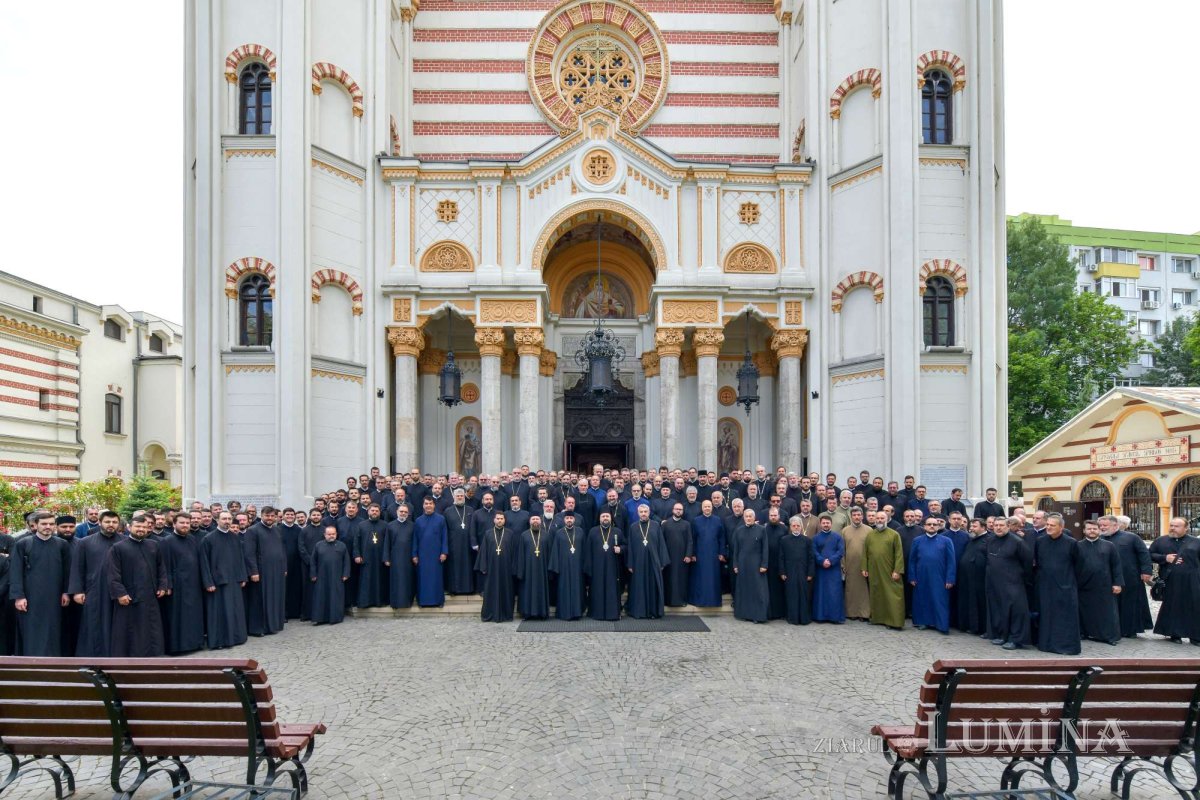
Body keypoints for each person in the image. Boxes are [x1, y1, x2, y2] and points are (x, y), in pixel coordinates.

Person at [108, 512, 170, 657]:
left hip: (150, 595)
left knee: (150, 627)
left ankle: (153, 654)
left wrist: (162, 586)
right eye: (138, 526)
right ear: (130, 527)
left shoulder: (153, 545)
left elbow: (161, 568)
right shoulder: (118, 547)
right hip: (129, 597)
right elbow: (113, 573)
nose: (141, 529)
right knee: (130, 629)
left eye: (144, 526)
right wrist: (120, 593)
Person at [9, 512, 71, 656]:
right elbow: (16, 571)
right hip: (31, 597)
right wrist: (19, 596)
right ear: (35, 525)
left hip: (55, 597)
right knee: (31, 630)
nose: (47, 527)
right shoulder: (23, 544)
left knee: (54, 629)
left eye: (51, 524)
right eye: (44, 524)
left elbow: (68, 571)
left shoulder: (62, 544)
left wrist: (66, 592)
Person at [68, 509, 123, 657]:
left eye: (114, 522)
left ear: (118, 524)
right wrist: (77, 591)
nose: (111, 525)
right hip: (94, 589)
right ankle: (92, 656)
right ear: (100, 522)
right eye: (107, 522)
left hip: (119, 591)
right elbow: (77, 567)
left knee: (117, 623)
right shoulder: (85, 542)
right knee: (93, 623)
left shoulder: (124, 542)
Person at [160, 511, 209, 655]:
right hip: (177, 586)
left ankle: (195, 643)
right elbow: (164, 565)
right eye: (182, 522)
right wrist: (167, 584)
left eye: (187, 523)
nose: (185, 525)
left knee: (194, 615)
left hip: (194, 584)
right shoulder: (166, 541)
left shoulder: (193, 539)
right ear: (174, 524)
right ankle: (178, 647)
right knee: (178, 617)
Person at [200, 511, 249, 649]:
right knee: (219, 612)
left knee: (234, 610)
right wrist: (208, 582)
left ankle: (236, 637)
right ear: (217, 520)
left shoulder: (234, 538)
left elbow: (240, 559)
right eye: (224, 519)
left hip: (234, 580)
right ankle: (219, 641)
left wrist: (243, 576)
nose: (227, 521)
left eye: (229, 519)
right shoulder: (208, 539)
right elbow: (204, 563)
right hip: (217, 582)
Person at [1099, 515, 1153, 638]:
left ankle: (1130, 629)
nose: (1102, 528)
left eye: (1105, 525)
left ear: (1115, 525)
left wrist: (1146, 571)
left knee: (1130, 604)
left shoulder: (1132, 538)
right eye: (1100, 525)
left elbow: (1144, 554)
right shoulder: (1099, 539)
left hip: (1130, 576)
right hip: (1107, 577)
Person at [1073, 518, 1123, 646]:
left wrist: (1117, 583)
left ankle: (1108, 636)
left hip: (1104, 585)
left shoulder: (1109, 546)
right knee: (1084, 611)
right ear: (1084, 531)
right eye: (1089, 529)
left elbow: (1116, 565)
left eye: (1095, 529)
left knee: (1106, 612)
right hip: (1084, 585)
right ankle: (1084, 633)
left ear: (1099, 530)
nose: (1092, 531)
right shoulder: (1077, 546)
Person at [986, 516, 1033, 650]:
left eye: (1001, 525)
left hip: (1014, 582)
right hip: (996, 583)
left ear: (1008, 526)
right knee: (1000, 610)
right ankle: (1002, 635)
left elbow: (1027, 562)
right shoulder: (990, 540)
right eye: (996, 525)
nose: (998, 528)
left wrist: (1021, 578)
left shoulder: (1017, 542)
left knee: (1016, 611)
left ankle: (1015, 639)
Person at [1152, 517, 1200, 645]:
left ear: (1186, 528)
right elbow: (1149, 555)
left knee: (1195, 607)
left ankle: (1195, 636)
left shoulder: (1196, 542)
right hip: (1171, 580)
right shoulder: (1161, 541)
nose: (1173, 528)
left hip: (1193, 581)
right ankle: (1175, 634)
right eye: (1171, 525)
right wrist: (1165, 558)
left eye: (1177, 526)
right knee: (1174, 606)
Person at [243, 507, 287, 636]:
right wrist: (253, 572)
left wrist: (284, 567)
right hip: (261, 572)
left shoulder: (277, 530)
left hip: (277, 571)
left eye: (272, 516)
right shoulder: (253, 530)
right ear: (261, 515)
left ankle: (274, 625)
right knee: (260, 599)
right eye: (267, 515)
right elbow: (249, 553)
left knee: (275, 597)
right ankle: (259, 628)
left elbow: (282, 551)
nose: (269, 518)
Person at [907, 517, 956, 634]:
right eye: (929, 524)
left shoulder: (946, 541)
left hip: (940, 576)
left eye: (935, 524)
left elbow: (951, 561)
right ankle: (923, 622)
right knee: (923, 599)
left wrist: (950, 578)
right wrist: (912, 576)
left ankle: (941, 624)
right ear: (924, 526)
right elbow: (912, 560)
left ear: (939, 527)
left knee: (940, 599)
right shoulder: (917, 541)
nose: (932, 526)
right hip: (921, 575)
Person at [625, 504, 669, 620]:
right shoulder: (633, 527)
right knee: (639, 586)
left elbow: (661, 545)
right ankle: (639, 611)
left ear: (649, 513)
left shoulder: (655, 525)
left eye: (645, 511)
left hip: (653, 561)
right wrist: (630, 563)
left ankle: (653, 611)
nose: (643, 514)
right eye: (641, 512)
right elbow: (630, 546)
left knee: (653, 586)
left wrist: (662, 562)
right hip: (638, 562)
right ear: (638, 513)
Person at [863, 511, 905, 630]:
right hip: (874, 570)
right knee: (877, 594)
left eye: (882, 518)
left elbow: (899, 554)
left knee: (892, 595)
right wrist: (864, 567)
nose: (880, 520)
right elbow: (865, 553)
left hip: (890, 571)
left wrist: (897, 570)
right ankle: (877, 618)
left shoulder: (894, 534)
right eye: (878, 518)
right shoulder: (870, 535)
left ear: (887, 519)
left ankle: (894, 622)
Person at [476, 511, 517, 623]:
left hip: (506, 569)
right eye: (497, 518)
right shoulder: (488, 533)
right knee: (491, 591)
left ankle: (506, 614)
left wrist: (514, 568)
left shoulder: (510, 533)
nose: (499, 520)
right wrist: (483, 566)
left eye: (501, 518)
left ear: (504, 520)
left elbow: (514, 552)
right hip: (491, 568)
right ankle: (490, 614)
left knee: (506, 591)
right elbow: (483, 551)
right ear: (494, 520)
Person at [730, 508, 769, 623]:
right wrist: (735, 564)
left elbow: (765, 549)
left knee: (757, 590)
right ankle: (744, 614)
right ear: (744, 518)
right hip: (742, 564)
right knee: (744, 589)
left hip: (757, 565)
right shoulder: (739, 530)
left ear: (754, 517)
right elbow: (736, 549)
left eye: (750, 516)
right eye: (746, 516)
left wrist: (764, 564)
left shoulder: (761, 530)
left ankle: (757, 615)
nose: (748, 518)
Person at [583, 511, 622, 621]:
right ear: (599, 519)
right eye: (603, 516)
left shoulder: (617, 531)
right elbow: (588, 551)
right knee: (597, 590)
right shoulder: (593, 531)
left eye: (607, 516)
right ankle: (597, 614)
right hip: (597, 568)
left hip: (612, 568)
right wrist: (589, 569)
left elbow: (625, 546)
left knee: (611, 590)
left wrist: (621, 549)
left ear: (611, 518)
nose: (605, 518)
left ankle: (612, 614)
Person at [688, 500, 726, 608]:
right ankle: (700, 601)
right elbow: (693, 539)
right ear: (702, 508)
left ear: (712, 507)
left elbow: (722, 538)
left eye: (709, 506)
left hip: (714, 554)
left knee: (713, 578)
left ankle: (713, 602)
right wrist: (693, 554)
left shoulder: (718, 520)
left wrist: (722, 553)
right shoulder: (696, 521)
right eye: (705, 507)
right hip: (700, 554)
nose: (707, 508)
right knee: (700, 578)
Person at [310, 525, 351, 625]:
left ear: (336, 534)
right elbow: (313, 561)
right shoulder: (318, 545)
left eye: (333, 534)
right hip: (321, 576)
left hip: (337, 576)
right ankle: (320, 618)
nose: (331, 536)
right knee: (320, 597)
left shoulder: (342, 545)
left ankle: (335, 618)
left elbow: (346, 561)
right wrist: (313, 574)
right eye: (329, 534)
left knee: (335, 597)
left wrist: (346, 574)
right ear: (324, 535)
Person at [549, 511, 587, 620]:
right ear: (564, 520)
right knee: (563, 589)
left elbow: (585, 550)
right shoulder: (559, 533)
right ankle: (564, 613)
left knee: (577, 589)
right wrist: (556, 568)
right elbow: (555, 551)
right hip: (563, 568)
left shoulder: (580, 532)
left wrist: (585, 566)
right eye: (567, 518)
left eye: (571, 518)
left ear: (574, 520)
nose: (569, 520)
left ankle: (577, 613)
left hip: (578, 568)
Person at [412, 496, 448, 608]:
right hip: (422, 555)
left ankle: (438, 601)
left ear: (434, 505)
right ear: (423, 505)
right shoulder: (418, 521)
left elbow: (445, 537)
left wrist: (444, 552)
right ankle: (423, 602)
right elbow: (415, 539)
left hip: (436, 554)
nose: (428, 505)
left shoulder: (441, 519)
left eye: (430, 503)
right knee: (423, 578)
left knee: (436, 578)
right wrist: (414, 554)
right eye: (426, 503)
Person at [778, 515, 814, 625]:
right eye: (794, 526)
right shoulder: (784, 540)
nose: (796, 527)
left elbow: (811, 557)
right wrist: (782, 572)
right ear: (790, 527)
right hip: (789, 571)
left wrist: (810, 573)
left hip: (803, 571)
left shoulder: (807, 540)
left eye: (798, 525)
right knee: (791, 594)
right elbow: (781, 557)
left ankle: (804, 618)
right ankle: (792, 618)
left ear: (801, 527)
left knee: (804, 594)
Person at [956, 519, 990, 636]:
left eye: (975, 526)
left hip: (980, 579)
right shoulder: (972, 539)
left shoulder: (989, 540)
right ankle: (969, 625)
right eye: (971, 526)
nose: (971, 528)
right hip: (967, 578)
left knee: (980, 603)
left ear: (983, 527)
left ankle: (982, 628)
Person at [354, 503, 390, 608]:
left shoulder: (385, 525)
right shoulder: (361, 525)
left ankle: (380, 601)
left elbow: (388, 542)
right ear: (368, 511)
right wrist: (357, 555)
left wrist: (386, 557)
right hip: (366, 557)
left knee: (380, 580)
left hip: (380, 558)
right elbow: (356, 541)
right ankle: (366, 602)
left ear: (379, 512)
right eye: (372, 510)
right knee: (366, 580)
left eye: (376, 511)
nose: (374, 512)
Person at [515, 514, 551, 620]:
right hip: (528, 570)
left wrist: (549, 571)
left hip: (542, 569)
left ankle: (542, 613)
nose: (535, 521)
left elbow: (549, 554)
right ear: (530, 522)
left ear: (540, 521)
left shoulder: (546, 535)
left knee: (541, 590)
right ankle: (527, 613)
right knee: (527, 591)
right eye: (533, 519)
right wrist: (520, 571)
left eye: (537, 519)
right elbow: (520, 554)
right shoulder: (524, 535)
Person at [811, 516, 845, 623]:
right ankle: (820, 617)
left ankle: (835, 617)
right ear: (820, 524)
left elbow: (840, 551)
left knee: (834, 593)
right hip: (821, 569)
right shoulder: (815, 538)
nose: (826, 524)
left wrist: (830, 561)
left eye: (828, 523)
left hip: (834, 569)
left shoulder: (838, 537)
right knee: (821, 593)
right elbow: (814, 552)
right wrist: (822, 561)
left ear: (831, 524)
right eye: (824, 523)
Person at [660, 503, 694, 608]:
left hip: (682, 557)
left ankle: (681, 601)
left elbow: (690, 541)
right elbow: (661, 542)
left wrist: (688, 555)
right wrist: (663, 557)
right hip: (668, 557)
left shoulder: (686, 524)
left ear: (682, 511)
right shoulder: (665, 524)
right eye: (676, 509)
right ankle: (668, 601)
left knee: (681, 579)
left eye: (680, 509)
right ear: (673, 510)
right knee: (669, 579)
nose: (678, 511)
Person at [840, 507, 871, 621]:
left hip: (864, 566)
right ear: (851, 517)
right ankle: (851, 613)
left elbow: (871, 550)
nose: (857, 517)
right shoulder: (845, 530)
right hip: (850, 565)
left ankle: (864, 613)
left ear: (862, 516)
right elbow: (842, 549)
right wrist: (843, 565)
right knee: (850, 590)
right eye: (854, 515)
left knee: (864, 591)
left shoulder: (869, 530)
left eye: (859, 515)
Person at [384, 504, 415, 609]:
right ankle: (396, 603)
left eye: (405, 512)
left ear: (408, 514)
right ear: (397, 512)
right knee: (396, 580)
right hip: (395, 558)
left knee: (407, 580)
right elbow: (386, 543)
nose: (403, 513)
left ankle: (407, 602)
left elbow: (415, 542)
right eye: (401, 511)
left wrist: (414, 556)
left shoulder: (412, 525)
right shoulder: (390, 525)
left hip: (408, 558)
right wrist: (386, 558)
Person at [443, 489, 475, 595]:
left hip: (467, 544)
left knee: (467, 566)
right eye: (458, 496)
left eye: (461, 495)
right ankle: (454, 589)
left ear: (464, 496)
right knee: (454, 567)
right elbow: (445, 529)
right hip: (453, 543)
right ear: (454, 497)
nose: (460, 497)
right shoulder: (448, 511)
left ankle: (468, 589)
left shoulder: (470, 510)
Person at [279, 508, 305, 619]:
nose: (290, 516)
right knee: (284, 589)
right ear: (283, 516)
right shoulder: (278, 529)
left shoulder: (299, 530)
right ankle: (284, 613)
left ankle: (296, 612)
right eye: (287, 514)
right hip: (283, 563)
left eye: (291, 514)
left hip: (297, 563)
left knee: (296, 587)